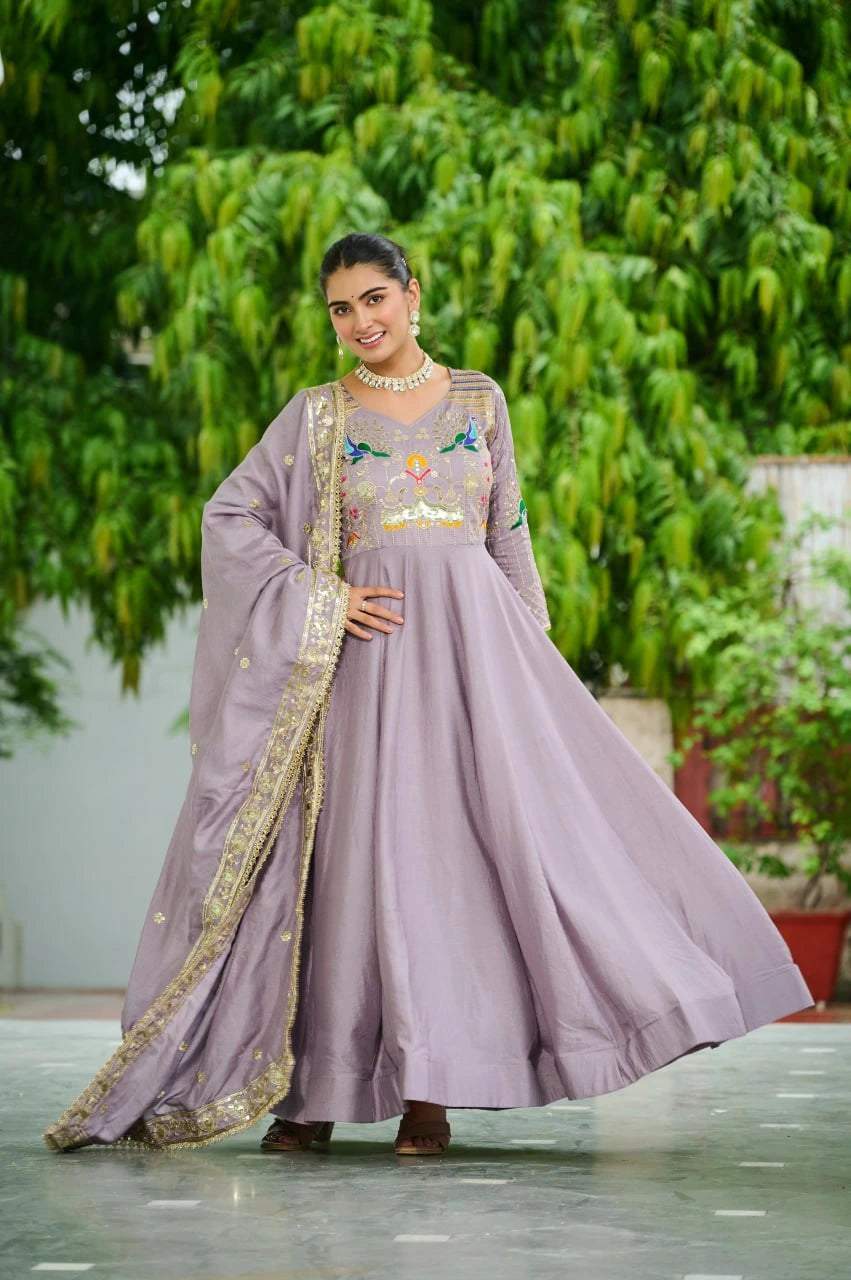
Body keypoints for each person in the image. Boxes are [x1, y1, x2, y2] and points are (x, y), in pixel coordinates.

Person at [44, 232, 812, 1159]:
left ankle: (430, 1092)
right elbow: (229, 517)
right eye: (340, 308)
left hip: (473, 669)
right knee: (346, 864)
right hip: (359, 674)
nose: (360, 321)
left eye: (374, 299)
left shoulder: (482, 403)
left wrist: (527, 669)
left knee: (456, 869)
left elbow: (509, 535)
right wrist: (322, 597)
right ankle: (310, 1092)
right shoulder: (314, 417)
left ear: (412, 294)